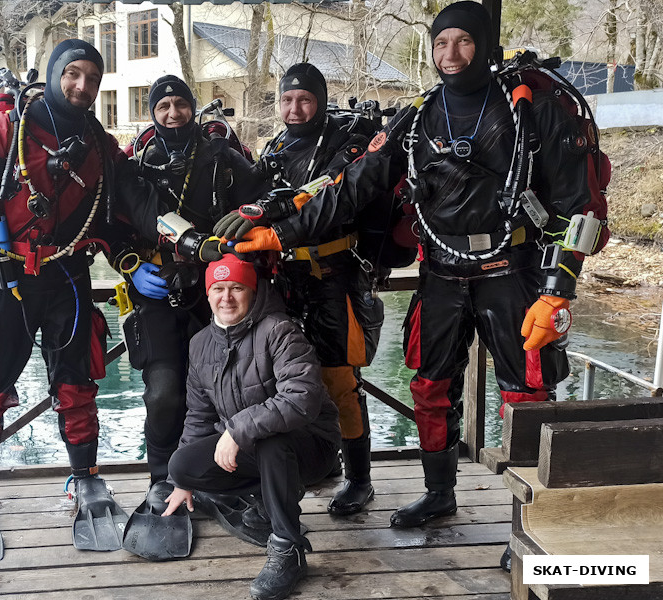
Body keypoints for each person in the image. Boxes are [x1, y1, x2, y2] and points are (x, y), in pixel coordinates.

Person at [229, 1, 600, 542]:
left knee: (527, 394)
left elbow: (580, 206)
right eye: (440, 43)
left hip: (511, 272)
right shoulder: (418, 117)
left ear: (484, 44)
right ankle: (439, 492)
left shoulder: (531, 111)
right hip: (441, 272)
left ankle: (533, 522)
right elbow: (356, 183)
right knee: (429, 386)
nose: (450, 55)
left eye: (463, 42)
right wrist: (281, 232)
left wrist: (558, 290)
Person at [0, 39, 127, 569]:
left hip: (67, 279)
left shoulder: (98, 144)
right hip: (4, 278)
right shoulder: (1, 131)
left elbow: (126, 206)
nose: (83, 86)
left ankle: (84, 478)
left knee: (76, 382)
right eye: (73, 74)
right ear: (54, 73)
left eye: (93, 77)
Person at [215, 63, 403, 516]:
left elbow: (334, 201)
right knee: (276, 379)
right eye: (286, 100)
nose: (294, 108)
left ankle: (359, 479)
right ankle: (305, 466)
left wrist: (275, 230)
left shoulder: (348, 144)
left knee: (339, 381)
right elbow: (254, 192)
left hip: (333, 275)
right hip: (283, 277)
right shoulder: (278, 146)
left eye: (304, 99)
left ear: (319, 100)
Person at [114, 75, 266, 487]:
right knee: (164, 394)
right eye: (163, 107)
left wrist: (254, 221)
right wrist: (130, 266)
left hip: (219, 287)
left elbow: (260, 196)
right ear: (152, 113)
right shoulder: (137, 163)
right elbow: (114, 228)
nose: (173, 113)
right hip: (158, 286)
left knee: (233, 386)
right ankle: (163, 479)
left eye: (180, 104)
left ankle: (225, 473)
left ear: (192, 107)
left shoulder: (221, 155)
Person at [162, 254, 341, 600]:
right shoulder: (200, 344)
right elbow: (198, 415)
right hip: (251, 444)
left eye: (236, 288)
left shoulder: (280, 330)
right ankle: (264, 499)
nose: (226, 297)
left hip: (310, 446)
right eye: (217, 288)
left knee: (272, 442)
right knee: (182, 465)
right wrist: (180, 483)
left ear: (252, 292)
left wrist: (236, 430)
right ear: (208, 293)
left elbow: (302, 398)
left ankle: (288, 550)